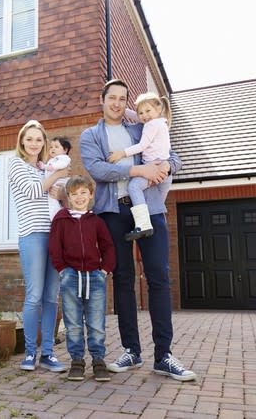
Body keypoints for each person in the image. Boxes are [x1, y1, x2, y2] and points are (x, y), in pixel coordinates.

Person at [80, 79, 196, 381]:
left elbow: (173, 156)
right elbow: (98, 170)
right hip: (113, 212)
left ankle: (164, 355)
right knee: (123, 279)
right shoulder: (91, 135)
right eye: (112, 98)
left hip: (149, 207)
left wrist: (167, 167)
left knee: (158, 276)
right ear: (102, 99)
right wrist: (138, 170)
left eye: (122, 98)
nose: (117, 103)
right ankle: (131, 350)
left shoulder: (139, 126)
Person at [8, 120, 70, 373]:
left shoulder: (46, 168)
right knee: (34, 296)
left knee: (51, 297)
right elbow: (34, 191)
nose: (34, 143)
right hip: (32, 236)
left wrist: (59, 188)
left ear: (44, 143)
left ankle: (48, 353)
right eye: (29, 138)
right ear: (22, 141)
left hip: (54, 235)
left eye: (39, 139)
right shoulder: (16, 164)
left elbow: (62, 199)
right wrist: (57, 175)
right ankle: (30, 353)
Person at [49, 175, 116, 382]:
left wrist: (104, 270)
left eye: (83, 193)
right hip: (70, 276)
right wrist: (62, 270)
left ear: (90, 195)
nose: (79, 197)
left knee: (96, 322)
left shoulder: (96, 221)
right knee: (73, 323)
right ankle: (77, 361)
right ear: (68, 197)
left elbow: (108, 247)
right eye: (74, 194)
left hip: (95, 278)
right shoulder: (61, 219)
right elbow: (54, 247)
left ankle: (98, 360)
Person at [107, 93, 173, 241]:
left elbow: (142, 145)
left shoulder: (150, 125)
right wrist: (123, 109)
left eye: (147, 111)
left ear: (158, 108)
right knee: (157, 209)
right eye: (141, 112)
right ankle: (153, 228)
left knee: (134, 187)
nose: (144, 116)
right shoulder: (161, 122)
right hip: (165, 173)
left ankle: (143, 225)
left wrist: (121, 154)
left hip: (154, 169)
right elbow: (138, 117)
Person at [39, 136, 72, 220]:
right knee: (53, 201)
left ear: (65, 150)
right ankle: (57, 217)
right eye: (51, 147)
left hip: (60, 184)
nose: (53, 149)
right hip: (54, 184)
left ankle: (56, 218)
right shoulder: (53, 160)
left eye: (56, 147)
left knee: (53, 201)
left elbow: (61, 165)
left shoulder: (64, 158)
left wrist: (46, 167)